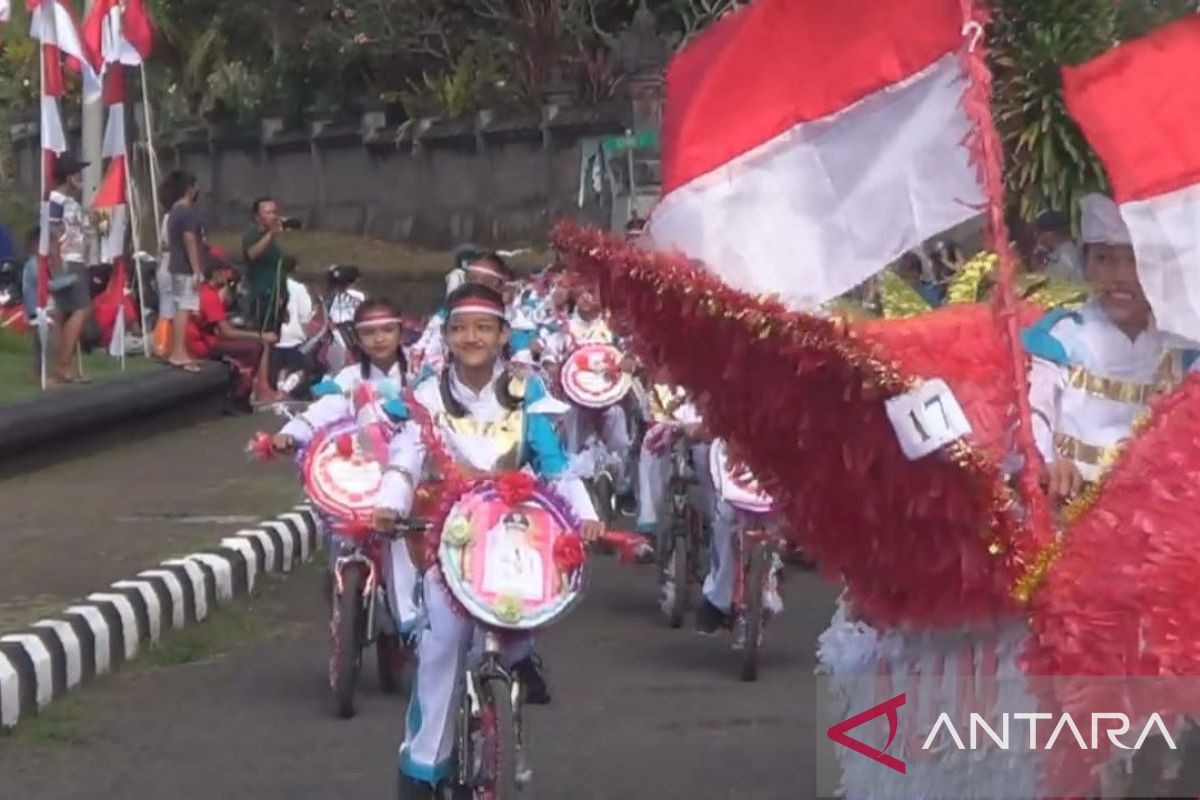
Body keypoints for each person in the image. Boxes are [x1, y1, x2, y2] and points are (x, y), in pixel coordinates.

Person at [376, 283, 602, 799]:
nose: (471, 337)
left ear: (503, 334)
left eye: (483, 327)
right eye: (459, 328)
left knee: (519, 630)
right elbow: (407, 458)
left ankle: (507, 699)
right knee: (442, 647)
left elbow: (555, 467)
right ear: (447, 337)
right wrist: (390, 501)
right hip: (450, 541)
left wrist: (585, 514)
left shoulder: (528, 395)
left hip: (514, 541)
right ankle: (422, 768)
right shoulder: (429, 396)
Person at [1023, 193, 1196, 500]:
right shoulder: (1063, 335)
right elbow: (1035, 408)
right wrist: (1048, 461)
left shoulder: (1182, 342)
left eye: (1136, 260)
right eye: (1104, 259)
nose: (1121, 277)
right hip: (1071, 503)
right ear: (1085, 264)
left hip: (1151, 512)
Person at [185, 249, 279, 405]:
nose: (228, 275)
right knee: (260, 346)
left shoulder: (204, 291)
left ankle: (249, 383)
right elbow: (226, 332)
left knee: (248, 340)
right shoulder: (210, 296)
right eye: (224, 272)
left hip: (201, 340)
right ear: (215, 273)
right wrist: (261, 335)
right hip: (203, 346)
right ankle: (261, 390)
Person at [46, 153, 93, 384]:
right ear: (68, 175)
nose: (80, 177)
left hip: (77, 258)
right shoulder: (55, 200)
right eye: (77, 173)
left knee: (66, 313)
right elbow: (53, 234)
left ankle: (66, 365)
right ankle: (63, 365)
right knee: (82, 309)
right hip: (67, 260)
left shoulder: (71, 202)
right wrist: (58, 267)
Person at [164, 170, 207, 372]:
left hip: (175, 265)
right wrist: (197, 269)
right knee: (185, 308)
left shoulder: (174, 210)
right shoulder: (187, 212)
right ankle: (179, 353)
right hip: (185, 267)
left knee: (179, 307)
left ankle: (178, 350)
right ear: (189, 189)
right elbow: (190, 239)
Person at [241, 197, 289, 333]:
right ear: (257, 217)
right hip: (261, 296)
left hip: (276, 296)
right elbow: (252, 253)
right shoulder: (253, 236)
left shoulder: (272, 241)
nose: (273, 216)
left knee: (274, 335)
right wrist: (272, 234)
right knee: (263, 336)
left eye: (274, 212)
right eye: (267, 213)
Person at [274, 255, 319, 392]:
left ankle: (280, 384)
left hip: (274, 337)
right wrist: (315, 311)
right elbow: (305, 317)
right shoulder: (299, 288)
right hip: (294, 338)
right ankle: (286, 390)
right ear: (293, 269)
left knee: (282, 368)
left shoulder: (270, 286)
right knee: (302, 369)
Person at [1033, 208, 1084, 284]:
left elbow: (1048, 287)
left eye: (1039, 234)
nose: (1037, 239)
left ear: (1049, 235)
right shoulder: (1060, 253)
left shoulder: (1066, 259)